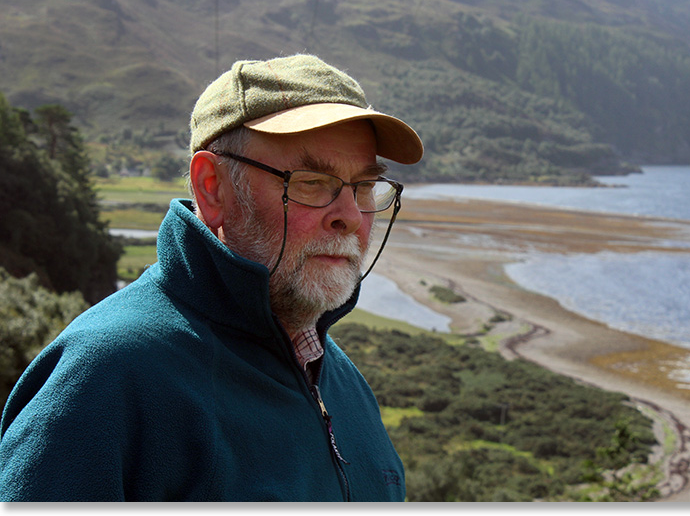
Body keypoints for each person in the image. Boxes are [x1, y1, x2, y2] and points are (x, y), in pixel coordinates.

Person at [0, 55, 423, 501]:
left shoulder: (346, 385)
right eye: (312, 182)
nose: (351, 217)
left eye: (362, 186)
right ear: (212, 187)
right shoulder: (106, 377)